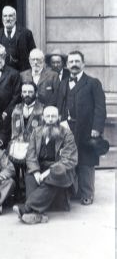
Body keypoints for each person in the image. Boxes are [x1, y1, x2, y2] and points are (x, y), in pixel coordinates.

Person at [56, 51, 106, 205]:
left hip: (86, 129)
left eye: (77, 61)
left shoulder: (93, 83)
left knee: (86, 161)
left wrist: (96, 128)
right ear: (67, 65)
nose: (74, 64)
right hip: (67, 128)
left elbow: (100, 107)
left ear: (83, 64)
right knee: (69, 159)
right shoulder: (63, 83)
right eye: (71, 62)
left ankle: (87, 194)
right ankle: (73, 191)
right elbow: (59, 105)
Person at [13, 106, 78, 224]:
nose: (50, 119)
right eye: (47, 116)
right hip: (39, 167)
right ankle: (37, 215)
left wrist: (48, 172)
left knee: (56, 174)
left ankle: (27, 208)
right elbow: (30, 155)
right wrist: (36, 172)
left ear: (58, 118)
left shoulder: (67, 134)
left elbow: (69, 159)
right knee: (30, 176)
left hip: (59, 169)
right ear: (43, 118)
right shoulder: (36, 131)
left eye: (53, 116)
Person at [10, 81, 45, 198]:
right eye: (24, 92)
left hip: (35, 145)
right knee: (11, 158)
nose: (27, 94)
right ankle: (16, 193)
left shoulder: (42, 109)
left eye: (30, 92)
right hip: (18, 144)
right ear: (21, 94)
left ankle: (29, 192)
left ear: (36, 93)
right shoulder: (17, 108)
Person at [0, 5, 36, 72]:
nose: (8, 19)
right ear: (2, 19)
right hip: (2, 75)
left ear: (15, 18)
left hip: (22, 74)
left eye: (10, 16)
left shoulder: (26, 34)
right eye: (5, 16)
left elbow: (33, 54)